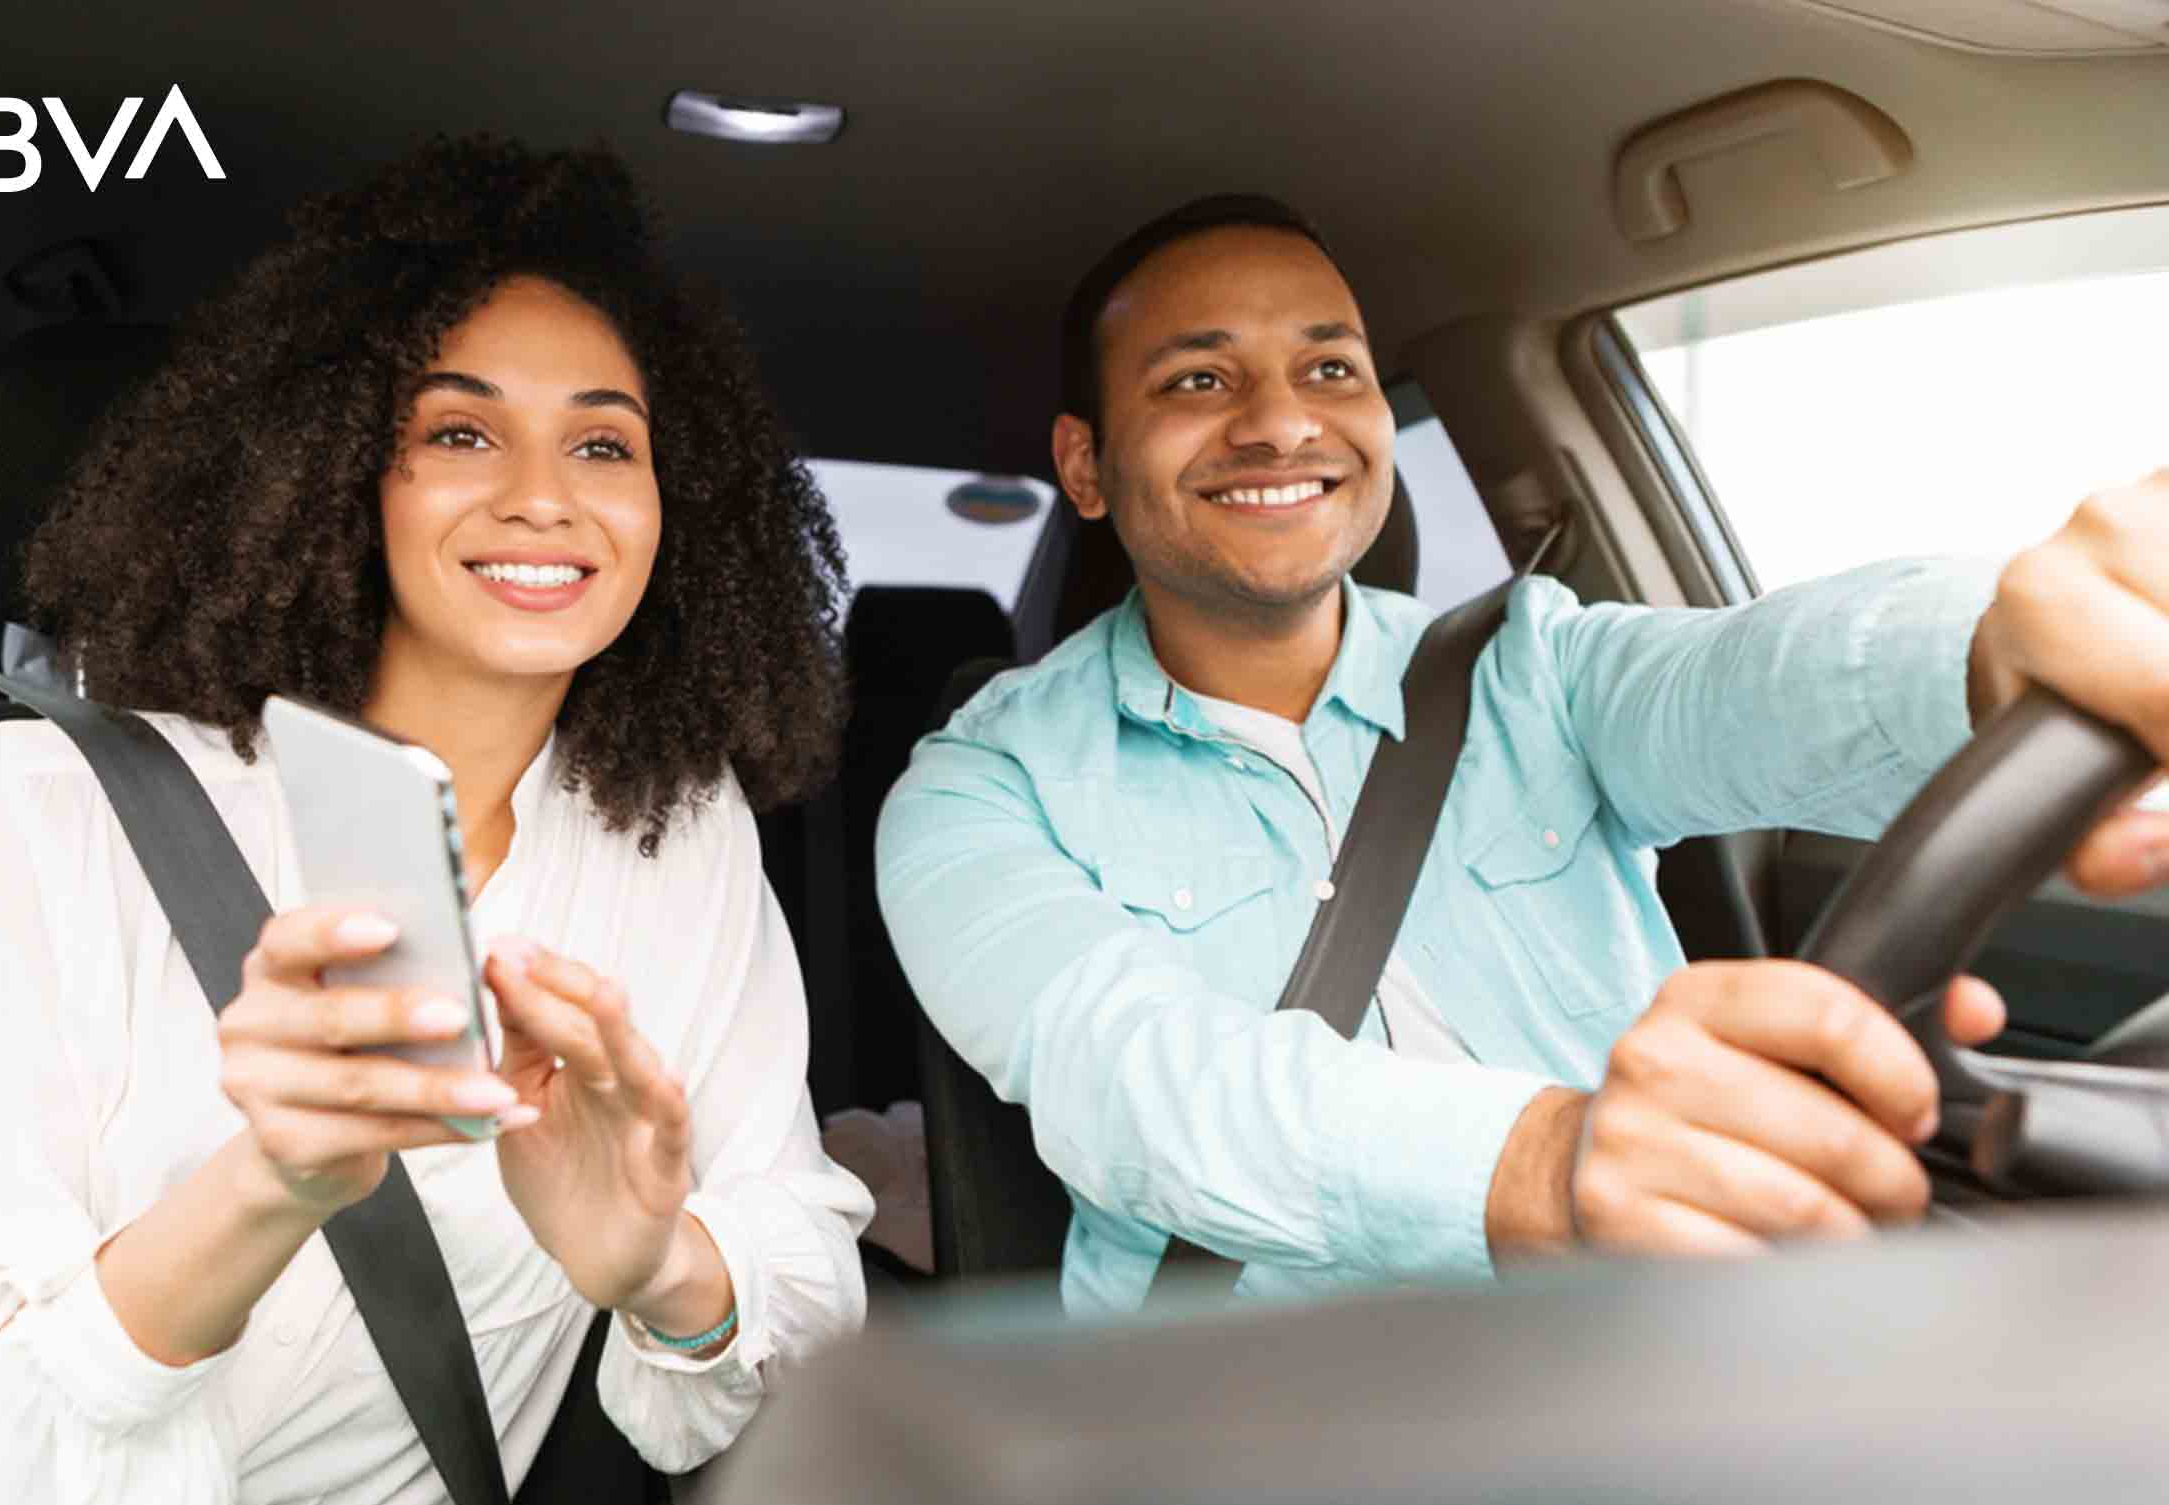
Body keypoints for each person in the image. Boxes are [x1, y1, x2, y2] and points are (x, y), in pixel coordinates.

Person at [0, 136, 871, 1505]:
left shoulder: (678, 835)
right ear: (341, 470)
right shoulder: (58, 804)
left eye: (604, 444)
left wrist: (665, 1270)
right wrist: (269, 1188)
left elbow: (801, 1263)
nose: (546, 496)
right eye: (461, 433)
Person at [875, 192, 2169, 1316]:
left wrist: (1991, 648)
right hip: (1259, 1410)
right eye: (1198, 382)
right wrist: (1557, 1163)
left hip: (1652, 1340)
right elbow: (1141, 1082)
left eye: (1331, 369)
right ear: (1086, 466)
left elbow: (1744, 679)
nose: (1280, 424)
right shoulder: (978, 789)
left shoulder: (1532, 665)